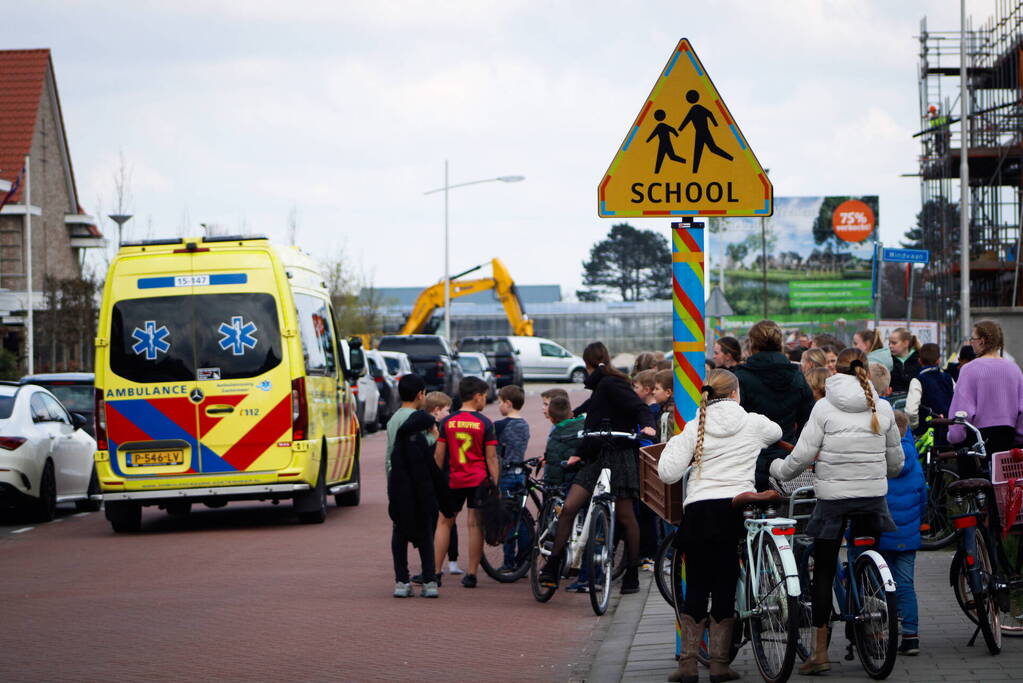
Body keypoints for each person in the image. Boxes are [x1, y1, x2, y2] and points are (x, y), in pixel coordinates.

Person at [770, 348, 903, 674]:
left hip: (833, 501)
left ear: (836, 372)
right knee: (868, 554)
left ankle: (820, 653)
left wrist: (777, 469)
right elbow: (896, 462)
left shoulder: (824, 407)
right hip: (873, 498)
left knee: (826, 567)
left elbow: (801, 456)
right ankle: (874, 629)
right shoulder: (882, 406)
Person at [657, 369, 782, 683]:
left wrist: (676, 443)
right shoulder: (753, 423)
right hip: (734, 509)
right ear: (736, 393)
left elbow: (668, 474)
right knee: (726, 585)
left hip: (699, 512)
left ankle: (687, 665)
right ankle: (719, 665)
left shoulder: (694, 427)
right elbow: (777, 432)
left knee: (697, 586)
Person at [539, 342, 656, 594]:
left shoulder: (612, 384)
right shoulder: (603, 387)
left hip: (619, 455)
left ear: (587, 365)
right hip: (596, 456)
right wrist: (578, 452)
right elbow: (592, 415)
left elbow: (639, 408)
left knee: (625, 516)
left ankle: (631, 575)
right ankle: (554, 563)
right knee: (569, 507)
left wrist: (648, 425)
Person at [857, 410, 926, 656]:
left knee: (879, 582)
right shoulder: (915, 462)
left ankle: (881, 631)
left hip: (883, 533)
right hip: (908, 535)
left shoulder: (880, 459)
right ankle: (911, 635)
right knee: (906, 583)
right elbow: (923, 498)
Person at [433, 377, 501, 589]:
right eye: (485, 396)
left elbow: (439, 454)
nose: (486, 400)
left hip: (452, 479)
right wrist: (495, 484)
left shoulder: (447, 422)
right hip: (478, 479)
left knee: (445, 522)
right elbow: (491, 458)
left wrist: (436, 480)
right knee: (474, 525)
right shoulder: (485, 423)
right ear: (477, 396)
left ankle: (435, 572)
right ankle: (471, 574)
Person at [731, 320, 814, 490]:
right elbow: (808, 417)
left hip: (749, 460)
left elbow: (733, 419)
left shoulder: (741, 377)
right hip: (786, 456)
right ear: (780, 343)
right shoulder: (796, 376)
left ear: (752, 344)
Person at [386, 375, 441, 598]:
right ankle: (429, 581)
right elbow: (421, 450)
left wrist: (389, 483)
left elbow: (390, 455)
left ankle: (401, 580)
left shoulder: (393, 420)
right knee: (426, 531)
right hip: (420, 483)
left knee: (399, 531)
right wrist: (434, 438)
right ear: (420, 394)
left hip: (398, 483)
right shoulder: (421, 420)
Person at [948, 320, 1023, 476]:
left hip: (977, 439)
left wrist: (955, 436)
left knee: (975, 488)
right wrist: (1019, 437)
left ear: (981, 341)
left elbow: (961, 411)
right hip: (1007, 439)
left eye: (972, 338)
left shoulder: (969, 370)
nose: (971, 342)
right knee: (1005, 489)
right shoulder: (1014, 370)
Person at [422, 391, 462, 578]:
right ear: (436, 410)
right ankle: (436, 562)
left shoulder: (444, 427)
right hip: (436, 482)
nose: (450, 413)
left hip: (443, 481)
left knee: (447, 522)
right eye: (447, 410)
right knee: (440, 523)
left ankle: (451, 560)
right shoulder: (429, 430)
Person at [494, 384, 531, 572]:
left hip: (506, 474)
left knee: (507, 520)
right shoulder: (525, 425)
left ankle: (508, 562)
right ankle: (523, 560)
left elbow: (495, 452)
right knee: (520, 518)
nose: (499, 406)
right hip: (521, 474)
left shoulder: (500, 426)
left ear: (508, 403)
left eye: (500, 402)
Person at [905, 343, 955, 434]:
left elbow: (911, 411)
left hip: (926, 434)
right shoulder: (949, 378)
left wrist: (914, 427)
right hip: (948, 430)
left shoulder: (917, 381)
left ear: (919, 361)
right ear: (938, 360)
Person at [888, 327, 922, 394]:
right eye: (889, 343)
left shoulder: (919, 360)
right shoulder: (888, 361)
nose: (890, 346)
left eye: (894, 343)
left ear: (906, 343)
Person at [653, 368, 675, 442]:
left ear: (668, 392)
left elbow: (665, 443)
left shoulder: (667, 416)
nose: (653, 392)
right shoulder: (666, 409)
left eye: (657, 389)